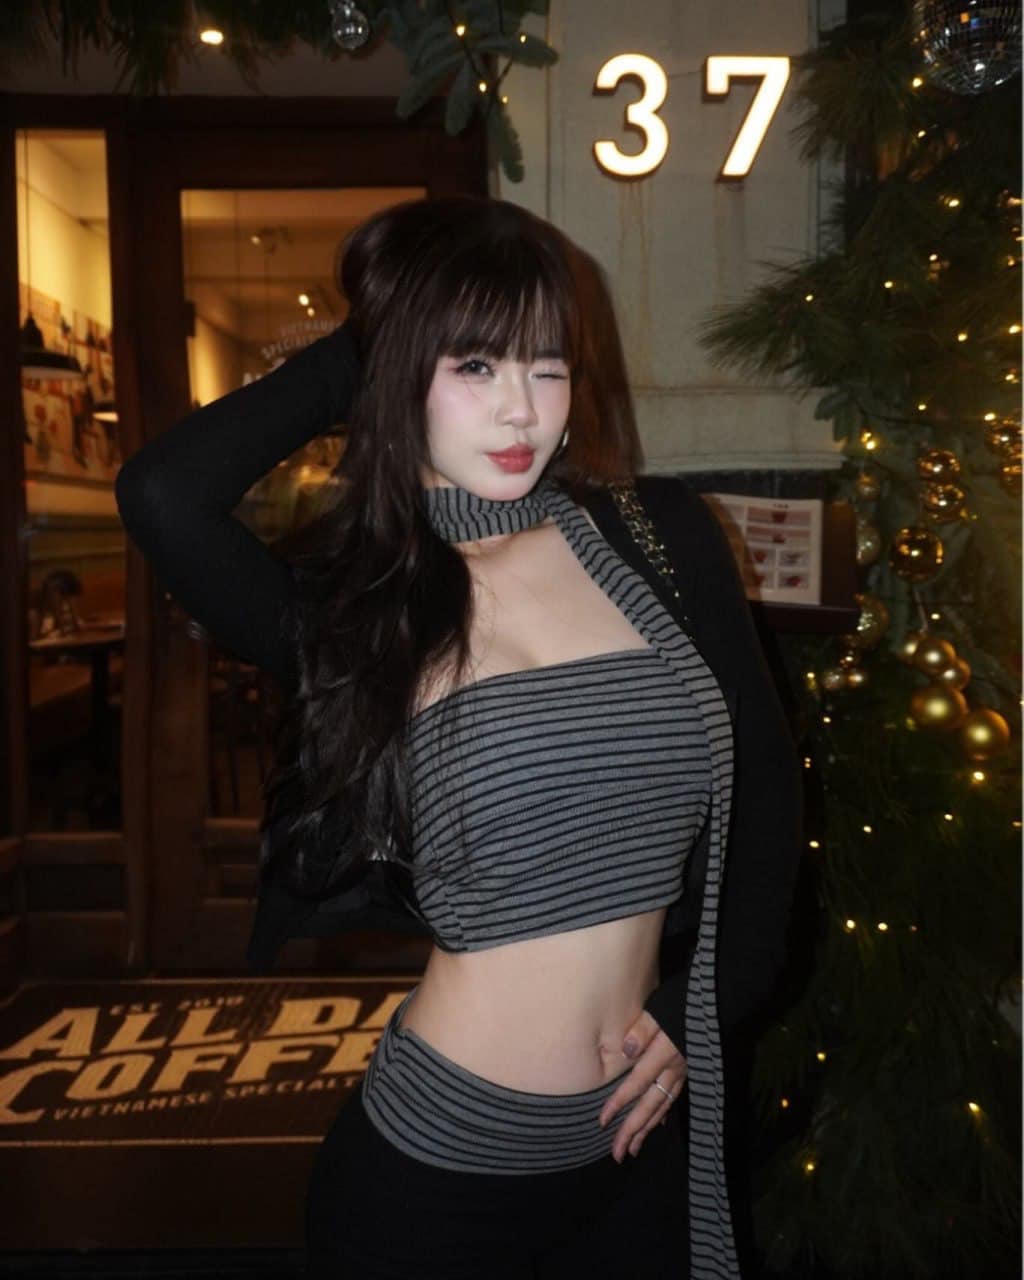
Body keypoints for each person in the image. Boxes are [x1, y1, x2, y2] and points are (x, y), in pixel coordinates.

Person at [115, 195, 802, 1279]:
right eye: (473, 365)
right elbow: (162, 492)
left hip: (640, 1149)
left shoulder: (659, 534)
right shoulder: (358, 608)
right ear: (399, 375)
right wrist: (375, 341)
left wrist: (698, 1009)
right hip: (439, 1181)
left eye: (546, 366)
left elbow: (764, 791)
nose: (520, 409)